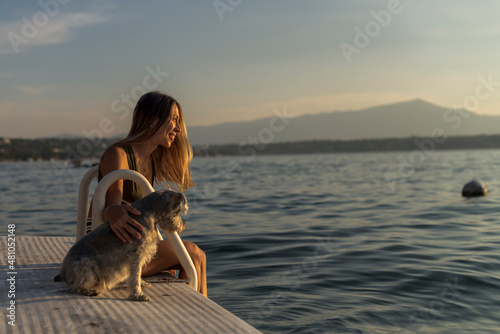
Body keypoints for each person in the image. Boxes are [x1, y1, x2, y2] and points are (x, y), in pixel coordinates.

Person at [91, 91, 207, 297]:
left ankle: (187, 311)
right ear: (154, 121)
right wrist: (112, 211)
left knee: (190, 256)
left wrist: (158, 249)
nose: (178, 129)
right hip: (105, 257)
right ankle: (203, 320)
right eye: (173, 120)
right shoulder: (118, 154)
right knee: (194, 254)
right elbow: (109, 209)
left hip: (131, 249)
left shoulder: (150, 160)